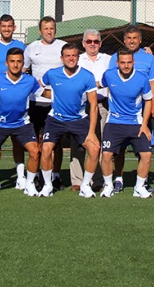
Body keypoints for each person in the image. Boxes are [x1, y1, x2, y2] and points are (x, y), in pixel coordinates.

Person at [39, 44, 101, 198]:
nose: (71, 58)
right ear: (62, 58)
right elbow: (39, 85)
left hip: (79, 120)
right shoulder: (52, 74)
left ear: (78, 58)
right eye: (67, 56)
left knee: (94, 149)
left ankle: (85, 185)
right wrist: (52, 96)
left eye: (74, 55)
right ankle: (47, 185)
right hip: (56, 119)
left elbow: (93, 105)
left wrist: (92, 132)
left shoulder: (87, 76)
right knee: (46, 149)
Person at [0, 47, 43, 196]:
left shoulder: (30, 81)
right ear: (6, 63)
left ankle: (29, 184)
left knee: (35, 151)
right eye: (12, 61)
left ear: (23, 63)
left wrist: (66, 93)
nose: (15, 64)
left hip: (22, 124)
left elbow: (44, 93)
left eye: (19, 61)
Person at [108, 25, 154, 193]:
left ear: (140, 40)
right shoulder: (115, 58)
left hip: (142, 112)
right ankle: (119, 179)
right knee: (119, 149)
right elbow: (112, 81)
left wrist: (152, 106)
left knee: (143, 149)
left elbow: (152, 82)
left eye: (134, 38)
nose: (131, 41)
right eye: (128, 38)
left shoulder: (149, 58)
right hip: (120, 113)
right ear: (124, 40)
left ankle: (142, 182)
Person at [99, 48, 154, 199]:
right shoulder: (108, 75)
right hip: (114, 122)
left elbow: (149, 100)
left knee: (147, 155)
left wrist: (144, 124)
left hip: (135, 122)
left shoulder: (142, 78)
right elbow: (99, 84)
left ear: (133, 62)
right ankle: (108, 185)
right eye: (123, 62)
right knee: (106, 154)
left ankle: (139, 187)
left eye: (129, 62)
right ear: (117, 63)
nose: (126, 65)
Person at [0, 14, 27, 190]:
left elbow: (25, 70)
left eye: (9, 26)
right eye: (4, 26)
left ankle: (20, 177)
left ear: (14, 28)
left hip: (16, 99)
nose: (6, 29)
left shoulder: (21, 46)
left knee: (17, 140)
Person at [24, 16, 67, 190]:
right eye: (46, 28)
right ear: (40, 31)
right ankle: (35, 176)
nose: (49, 31)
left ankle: (56, 176)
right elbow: (23, 71)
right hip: (36, 102)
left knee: (56, 143)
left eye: (52, 28)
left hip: (57, 102)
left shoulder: (62, 46)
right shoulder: (31, 48)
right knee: (37, 142)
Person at [74, 28, 109, 191]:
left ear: (100, 43)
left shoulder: (108, 60)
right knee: (78, 143)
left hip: (103, 105)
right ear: (83, 43)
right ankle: (77, 180)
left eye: (96, 41)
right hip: (81, 106)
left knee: (100, 143)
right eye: (89, 41)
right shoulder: (78, 60)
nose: (92, 44)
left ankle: (98, 180)